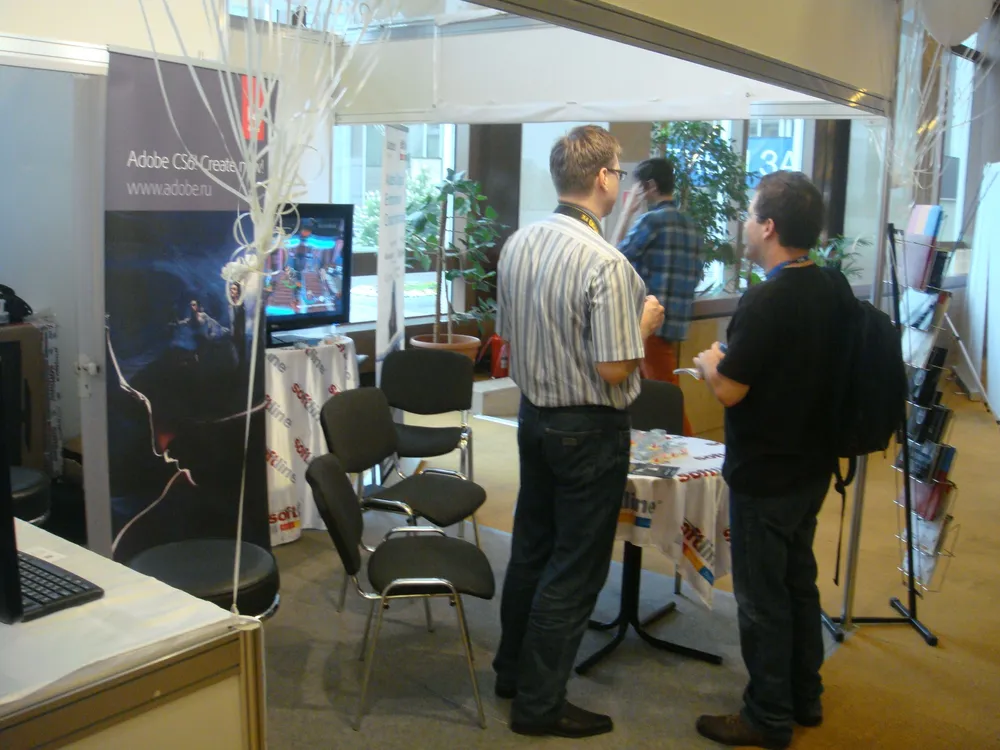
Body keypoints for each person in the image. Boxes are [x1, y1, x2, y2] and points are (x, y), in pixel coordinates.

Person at [492, 125, 665, 739]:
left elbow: (508, 336)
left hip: (533, 418)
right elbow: (615, 367)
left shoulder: (519, 243)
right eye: (619, 171)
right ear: (603, 178)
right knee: (575, 568)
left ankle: (512, 673)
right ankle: (540, 705)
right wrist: (644, 325)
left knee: (532, 550)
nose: (620, 181)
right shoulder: (606, 263)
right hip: (589, 430)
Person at [692, 171, 842, 750]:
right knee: (798, 583)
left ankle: (767, 717)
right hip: (811, 466)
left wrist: (710, 363)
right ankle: (806, 695)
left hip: (765, 473)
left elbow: (731, 390)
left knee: (761, 599)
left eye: (751, 214)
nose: (745, 225)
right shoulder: (830, 287)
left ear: (770, 226)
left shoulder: (767, 298)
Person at [613, 157, 702, 435]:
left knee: (665, 401)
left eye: (637, 187)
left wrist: (626, 213)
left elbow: (612, 260)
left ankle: (690, 451)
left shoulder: (650, 221)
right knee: (654, 398)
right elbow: (696, 274)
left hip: (648, 324)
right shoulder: (690, 226)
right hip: (675, 325)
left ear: (650, 186)